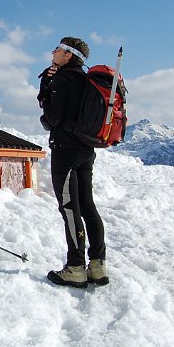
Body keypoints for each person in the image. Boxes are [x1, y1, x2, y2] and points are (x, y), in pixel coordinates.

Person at [37, 37, 108, 288]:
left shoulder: (63, 79)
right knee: (87, 206)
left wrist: (47, 85)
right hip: (86, 150)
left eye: (58, 49)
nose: (53, 51)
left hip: (66, 151)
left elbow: (53, 116)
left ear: (69, 55)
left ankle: (75, 267)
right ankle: (97, 266)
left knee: (69, 208)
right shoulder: (86, 80)